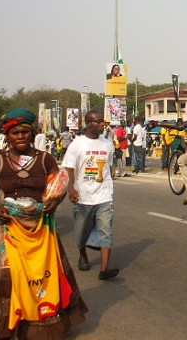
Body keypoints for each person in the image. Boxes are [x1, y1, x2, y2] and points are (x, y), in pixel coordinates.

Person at [0, 108, 87, 338]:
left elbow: (57, 186)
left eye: (24, 132)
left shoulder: (45, 159)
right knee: (11, 274)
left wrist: (56, 202)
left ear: (32, 134)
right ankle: (16, 325)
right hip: (10, 227)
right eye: (15, 133)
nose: (20, 136)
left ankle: (51, 323)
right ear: (7, 135)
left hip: (42, 226)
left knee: (48, 273)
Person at [63, 110, 120, 280]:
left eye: (103, 121)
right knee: (82, 232)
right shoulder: (77, 144)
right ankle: (83, 255)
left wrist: (109, 187)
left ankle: (104, 269)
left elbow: (108, 167)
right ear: (89, 123)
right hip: (83, 196)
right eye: (99, 121)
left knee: (106, 231)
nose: (103, 124)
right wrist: (71, 187)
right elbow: (70, 168)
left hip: (104, 195)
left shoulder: (107, 144)